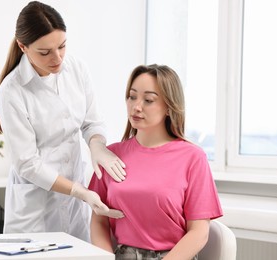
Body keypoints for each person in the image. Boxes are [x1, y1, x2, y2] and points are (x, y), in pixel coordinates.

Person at [0, 1, 126, 242]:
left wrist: (97, 145)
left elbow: (91, 122)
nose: (57, 57)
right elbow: (27, 164)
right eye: (45, 52)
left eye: (62, 46)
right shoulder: (12, 91)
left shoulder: (76, 69)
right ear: (23, 46)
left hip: (75, 207)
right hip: (34, 209)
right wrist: (78, 191)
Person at [89, 64, 223, 259]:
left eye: (148, 100)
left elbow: (199, 233)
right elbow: (99, 220)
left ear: (169, 107)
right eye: (132, 96)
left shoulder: (193, 157)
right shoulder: (111, 155)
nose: (136, 107)